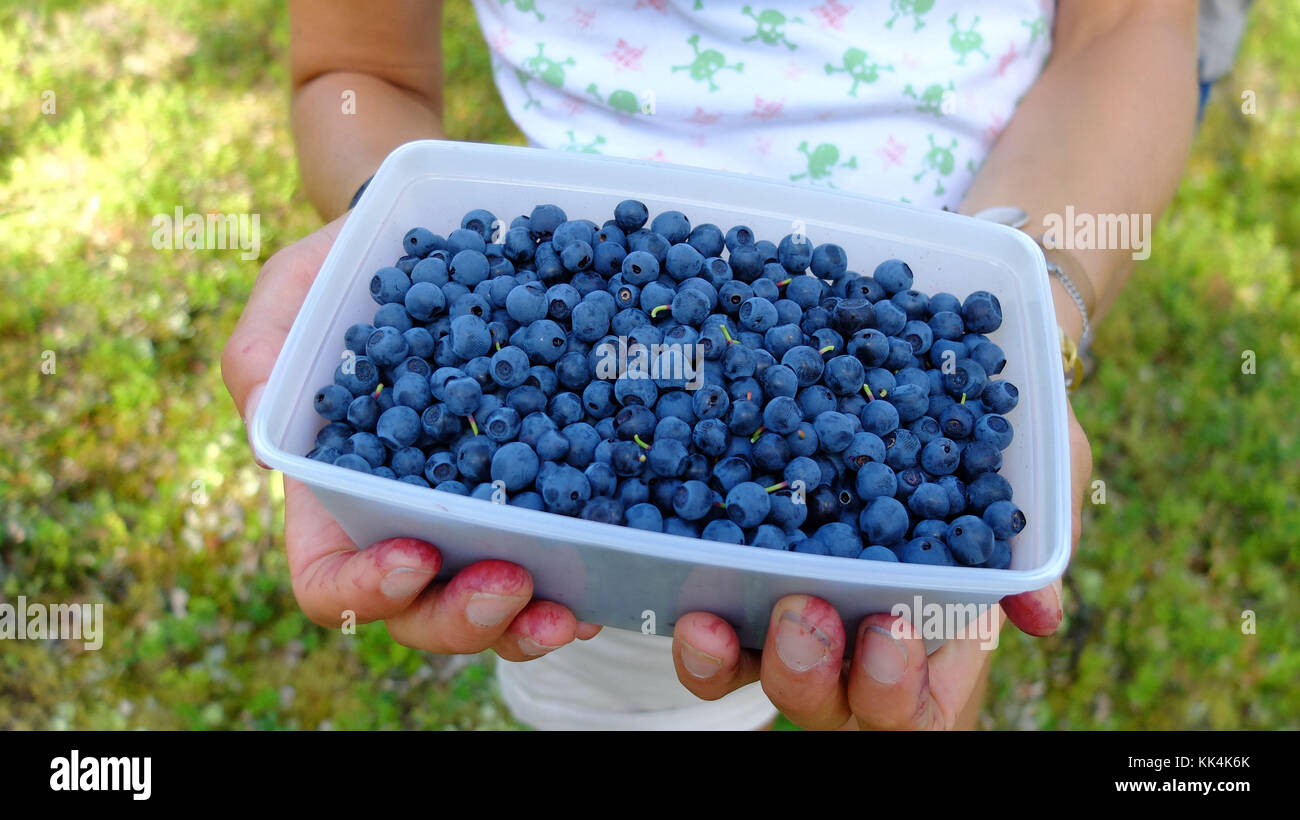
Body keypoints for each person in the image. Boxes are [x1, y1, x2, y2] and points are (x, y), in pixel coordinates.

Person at [222, 0, 1198, 730]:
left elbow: (1127, 29)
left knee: (893, 660)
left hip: (947, 276)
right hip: (569, 562)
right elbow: (356, 68)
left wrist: (1046, 296)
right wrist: (372, 223)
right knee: (610, 699)